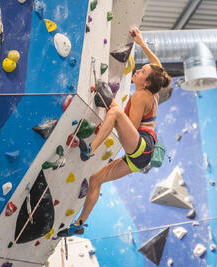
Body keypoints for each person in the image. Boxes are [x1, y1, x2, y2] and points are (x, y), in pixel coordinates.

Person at [61, 27, 171, 236]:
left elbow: (129, 126)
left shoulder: (141, 97)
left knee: (117, 113)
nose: (138, 70)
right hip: (140, 157)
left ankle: (89, 150)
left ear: (146, 83)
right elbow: (157, 64)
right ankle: (79, 224)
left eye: (142, 72)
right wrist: (141, 42)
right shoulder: (153, 90)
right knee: (95, 180)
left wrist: (110, 106)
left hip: (143, 146)